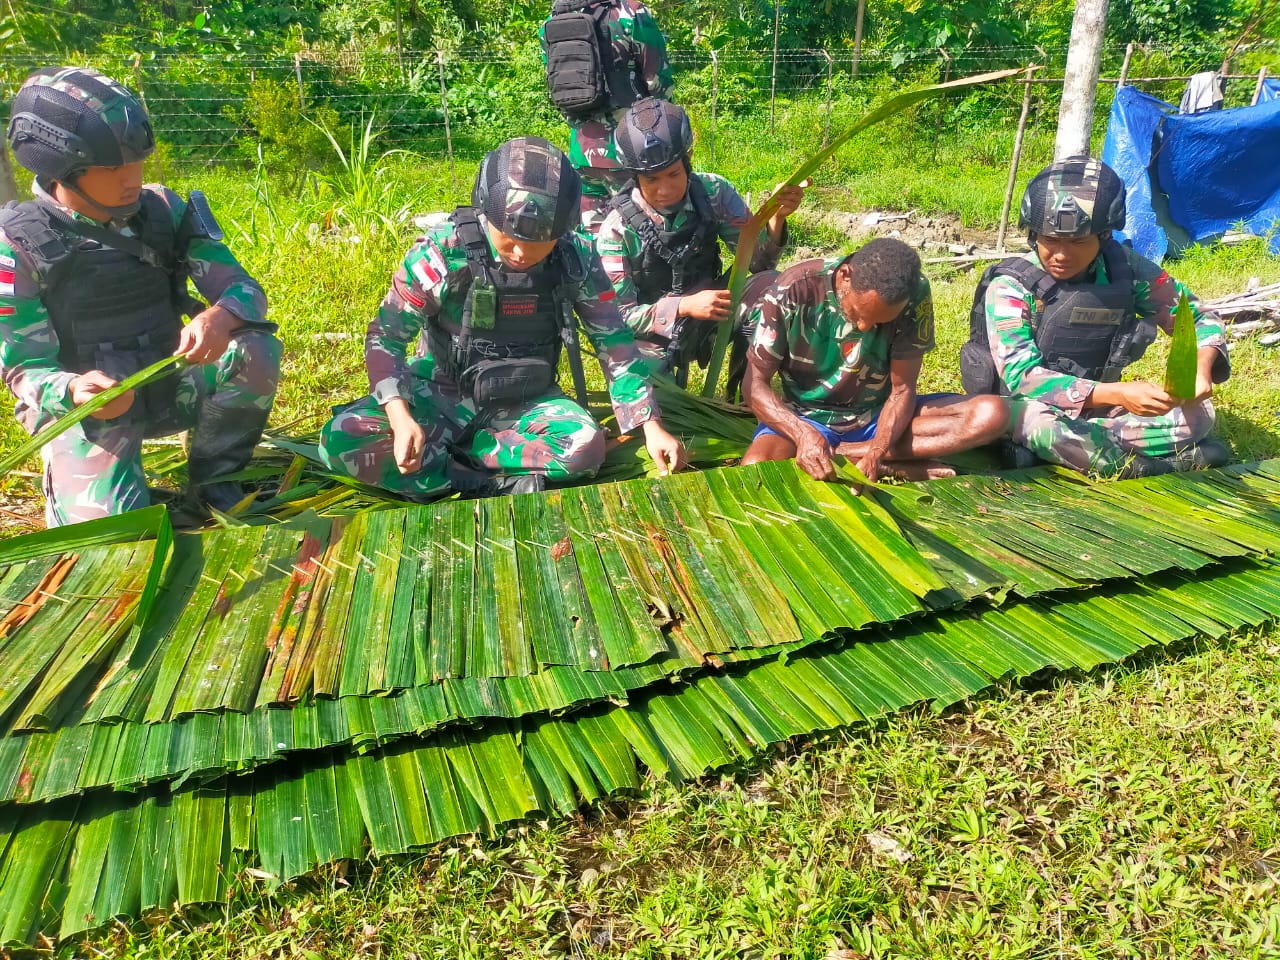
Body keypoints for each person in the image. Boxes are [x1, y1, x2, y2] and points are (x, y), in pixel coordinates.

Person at [318, 136, 686, 499]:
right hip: (439, 394)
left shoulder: (574, 257)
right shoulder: (445, 252)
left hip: (525, 402)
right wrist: (400, 418)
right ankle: (486, 479)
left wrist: (649, 425)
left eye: (540, 241)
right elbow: (386, 336)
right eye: (509, 237)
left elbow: (614, 343)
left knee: (584, 447)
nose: (522, 253)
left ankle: (453, 464)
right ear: (487, 212)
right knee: (341, 438)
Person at [0, 66, 280, 527]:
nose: (133, 178)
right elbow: (23, 370)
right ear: (62, 168)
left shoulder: (162, 209)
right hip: (89, 409)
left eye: (137, 162)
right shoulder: (18, 246)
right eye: (114, 168)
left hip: (168, 381)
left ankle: (215, 485)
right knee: (113, 539)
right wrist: (72, 391)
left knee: (254, 346)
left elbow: (243, 289)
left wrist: (220, 317)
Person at [959, 155, 1231, 477]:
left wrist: (1201, 369)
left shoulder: (1125, 270)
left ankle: (1080, 451)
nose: (1061, 254)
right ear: (1034, 234)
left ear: (1104, 236)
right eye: (1049, 240)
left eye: (1077, 241)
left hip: (1099, 408)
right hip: (1028, 407)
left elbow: (1196, 316)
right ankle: (1156, 465)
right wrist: (1118, 394)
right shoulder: (1012, 286)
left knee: (1198, 414)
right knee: (1044, 428)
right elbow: (1022, 378)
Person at [741, 237, 1008, 483]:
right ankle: (882, 462)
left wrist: (877, 451)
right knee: (755, 467)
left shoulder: (913, 293)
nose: (866, 327)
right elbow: (754, 386)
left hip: (879, 420)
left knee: (991, 414)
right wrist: (803, 435)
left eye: (881, 322)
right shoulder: (794, 288)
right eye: (857, 313)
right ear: (845, 276)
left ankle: (851, 456)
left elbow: (903, 389)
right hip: (805, 417)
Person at [595, 97, 805, 388]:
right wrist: (682, 306)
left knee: (773, 288)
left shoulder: (714, 192)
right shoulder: (616, 230)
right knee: (637, 377)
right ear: (634, 176)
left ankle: (745, 398)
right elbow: (618, 316)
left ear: (689, 158)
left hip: (713, 310)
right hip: (650, 335)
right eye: (652, 180)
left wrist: (775, 219)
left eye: (673, 174)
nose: (665, 189)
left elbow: (756, 265)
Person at [540, 0, 673, 234]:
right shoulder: (631, 12)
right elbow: (657, 81)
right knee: (643, 236)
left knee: (595, 239)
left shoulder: (554, 17)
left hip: (582, 153)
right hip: (634, 150)